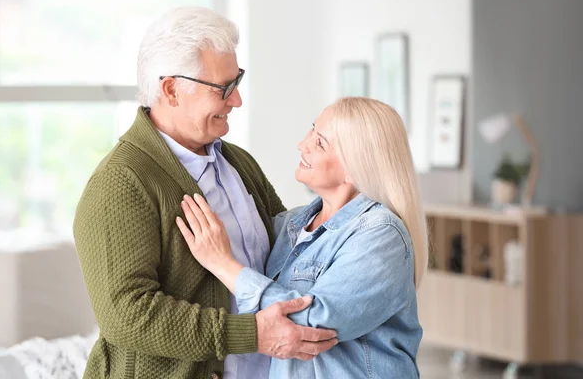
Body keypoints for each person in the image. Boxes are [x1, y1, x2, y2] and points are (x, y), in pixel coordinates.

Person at [73, 6, 337, 379]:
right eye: (223, 88)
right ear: (171, 90)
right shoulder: (121, 182)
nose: (237, 100)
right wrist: (251, 335)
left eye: (237, 81)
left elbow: (288, 250)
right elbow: (127, 315)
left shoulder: (238, 163)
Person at [176, 97, 429, 378]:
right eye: (312, 130)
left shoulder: (381, 235)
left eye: (320, 142)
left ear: (355, 169)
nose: (302, 145)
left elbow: (313, 325)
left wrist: (224, 265)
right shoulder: (290, 225)